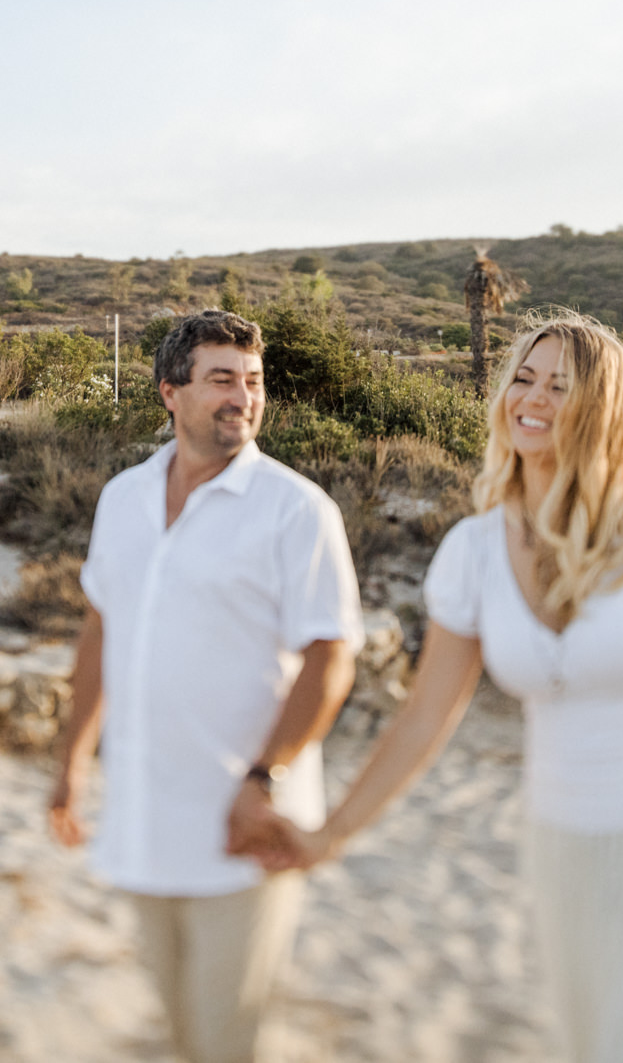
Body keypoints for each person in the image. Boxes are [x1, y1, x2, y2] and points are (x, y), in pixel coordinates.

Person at [240, 312, 623, 1063]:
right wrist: (330, 833)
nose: (529, 398)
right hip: (571, 852)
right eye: (523, 379)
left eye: (558, 385)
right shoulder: (471, 552)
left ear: (599, 408)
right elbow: (424, 717)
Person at [48, 308, 364, 1063]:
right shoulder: (123, 497)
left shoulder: (297, 511)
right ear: (171, 393)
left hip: (245, 824)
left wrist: (265, 776)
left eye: (253, 382)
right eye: (222, 379)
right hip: (143, 813)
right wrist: (69, 760)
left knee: (228, 1038)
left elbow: (331, 658)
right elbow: (101, 629)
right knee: (181, 1028)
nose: (243, 398)